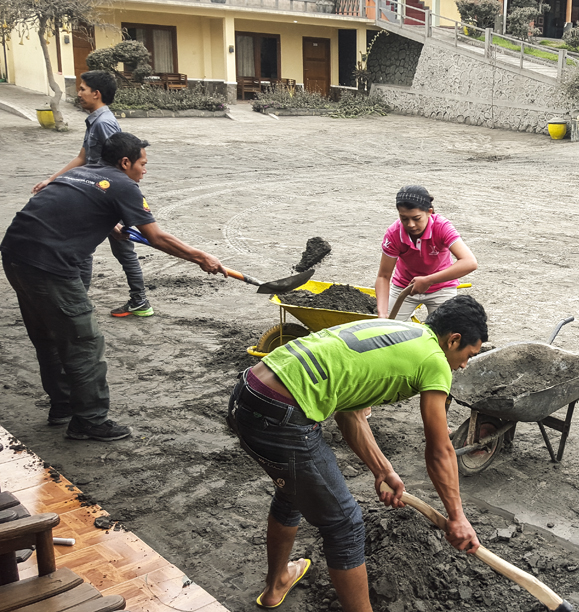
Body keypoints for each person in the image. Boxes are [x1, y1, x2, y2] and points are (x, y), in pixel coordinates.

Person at [227, 295, 487, 612]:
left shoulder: (392, 330)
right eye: (467, 355)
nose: (463, 365)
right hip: (281, 416)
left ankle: (276, 584)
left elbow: (349, 413)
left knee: (293, 489)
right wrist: (458, 517)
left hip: (248, 392)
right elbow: (439, 449)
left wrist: (382, 469)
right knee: (346, 525)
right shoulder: (434, 360)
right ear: (454, 340)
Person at [2, 133, 226, 440]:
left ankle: (63, 406)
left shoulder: (81, 173)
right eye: (142, 164)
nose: (145, 171)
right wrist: (201, 257)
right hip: (49, 264)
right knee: (84, 342)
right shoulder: (123, 184)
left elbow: (71, 206)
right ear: (125, 162)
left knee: (47, 335)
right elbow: (157, 237)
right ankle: (90, 421)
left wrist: (111, 224)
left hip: (15, 254)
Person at [32, 70, 154, 318]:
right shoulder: (95, 121)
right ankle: (83, 301)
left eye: (82, 89)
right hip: (99, 192)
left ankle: (130, 301)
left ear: (96, 94)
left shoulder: (104, 123)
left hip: (107, 194)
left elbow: (121, 162)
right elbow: (83, 158)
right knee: (98, 247)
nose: (78, 93)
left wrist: (116, 205)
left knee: (114, 247)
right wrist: (52, 179)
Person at [375, 185, 477, 321]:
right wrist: (382, 314)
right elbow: (383, 276)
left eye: (416, 218)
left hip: (442, 287)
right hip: (405, 288)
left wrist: (429, 280)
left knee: (445, 334)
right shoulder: (394, 233)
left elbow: (469, 262)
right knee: (388, 330)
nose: (410, 224)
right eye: (404, 218)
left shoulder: (442, 227)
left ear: (429, 212)